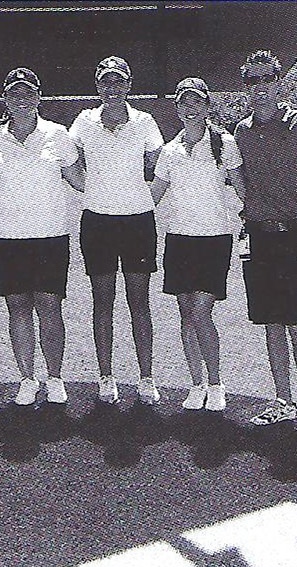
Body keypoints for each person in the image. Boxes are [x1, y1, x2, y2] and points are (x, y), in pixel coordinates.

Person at [233, 48, 297, 432]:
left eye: (267, 79)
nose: (260, 88)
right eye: (252, 81)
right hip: (259, 239)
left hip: (293, 237)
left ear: (279, 81)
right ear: (246, 86)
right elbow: (237, 178)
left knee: (296, 321)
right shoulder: (242, 131)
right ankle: (283, 400)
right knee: (271, 323)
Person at [0, 67, 83, 406]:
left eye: (28, 93)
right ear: (5, 99)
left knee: (50, 307)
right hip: (6, 236)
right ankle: (27, 377)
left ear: (39, 96)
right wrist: (14, 202)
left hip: (50, 235)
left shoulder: (58, 134)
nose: (22, 99)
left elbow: (79, 179)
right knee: (18, 307)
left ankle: (54, 377)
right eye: (15, 94)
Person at [69, 56, 165, 405]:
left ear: (129, 84)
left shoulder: (145, 122)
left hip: (138, 221)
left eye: (118, 81)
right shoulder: (84, 121)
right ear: (98, 85)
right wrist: (87, 186)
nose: (112, 88)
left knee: (139, 302)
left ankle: (146, 377)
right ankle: (106, 376)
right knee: (103, 302)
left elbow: (158, 164)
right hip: (97, 221)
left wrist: (141, 193)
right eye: (106, 82)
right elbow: (68, 159)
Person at [151, 76, 245, 413]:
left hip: (215, 239)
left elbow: (241, 187)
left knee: (201, 312)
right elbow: (155, 196)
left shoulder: (225, 144)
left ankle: (216, 383)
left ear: (207, 106)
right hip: (179, 239)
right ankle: (196, 384)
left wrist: (253, 217)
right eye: (183, 102)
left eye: (196, 102)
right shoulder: (169, 151)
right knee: (185, 314)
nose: (189, 108)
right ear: (177, 108)